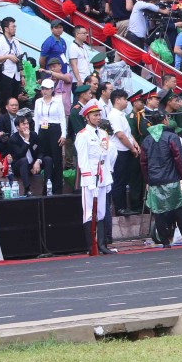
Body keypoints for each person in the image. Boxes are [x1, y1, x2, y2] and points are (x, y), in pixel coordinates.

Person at [138, 109, 182, 247]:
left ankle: (165, 242)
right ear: (165, 120)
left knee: (159, 212)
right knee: (178, 209)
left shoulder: (147, 140)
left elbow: (143, 163)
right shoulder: (172, 137)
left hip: (154, 181)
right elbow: (179, 158)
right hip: (171, 179)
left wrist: (147, 180)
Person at [73, 102, 115, 254]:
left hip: (103, 177)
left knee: (102, 211)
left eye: (99, 115)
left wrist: (108, 178)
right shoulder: (83, 135)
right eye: (95, 115)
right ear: (87, 117)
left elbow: (106, 157)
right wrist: (90, 182)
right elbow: (83, 161)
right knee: (89, 212)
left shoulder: (103, 134)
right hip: (90, 178)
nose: (98, 118)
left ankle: (102, 245)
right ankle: (92, 246)